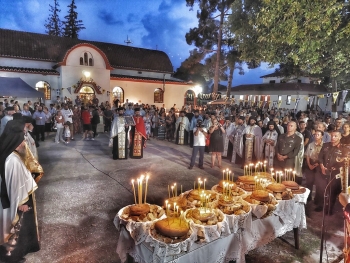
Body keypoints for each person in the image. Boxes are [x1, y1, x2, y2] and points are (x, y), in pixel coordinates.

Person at [0, 120, 40, 262]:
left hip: (11, 199)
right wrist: (22, 202)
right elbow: (16, 184)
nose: (24, 142)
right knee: (15, 229)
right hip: (18, 200)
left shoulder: (9, 154)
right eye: (22, 139)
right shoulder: (13, 160)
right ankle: (13, 256)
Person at [315, 130, 346, 214]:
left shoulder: (343, 148)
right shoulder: (325, 145)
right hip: (323, 170)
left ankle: (329, 208)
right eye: (332, 136)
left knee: (332, 191)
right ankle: (321, 205)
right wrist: (322, 166)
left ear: (340, 137)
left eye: (335, 136)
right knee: (321, 189)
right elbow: (320, 157)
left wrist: (335, 167)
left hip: (334, 173)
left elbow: (344, 162)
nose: (333, 137)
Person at [304, 130, 323, 202]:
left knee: (318, 183)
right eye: (315, 135)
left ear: (322, 136)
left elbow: (322, 157)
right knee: (309, 182)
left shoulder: (324, 145)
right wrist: (309, 164)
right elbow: (308, 155)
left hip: (319, 164)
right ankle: (308, 197)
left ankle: (317, 200)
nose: (316, 136)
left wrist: (316, 164)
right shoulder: (311, 144)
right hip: (310, 163)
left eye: (318, 135)